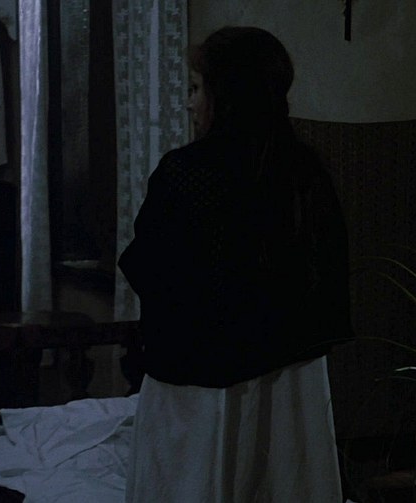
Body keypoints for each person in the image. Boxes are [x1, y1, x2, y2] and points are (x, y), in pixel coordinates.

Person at [118, 26, 354, 502]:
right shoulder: (305, 172)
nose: (189, 103)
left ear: (225, 96)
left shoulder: (186, 174)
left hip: (197, 381)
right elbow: (328, 279)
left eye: (196, 88)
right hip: (291, 382)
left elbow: (148, 267)